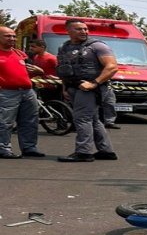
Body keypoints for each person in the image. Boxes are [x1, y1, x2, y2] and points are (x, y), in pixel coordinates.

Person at [55, 19, 118, 162]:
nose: (84, 31)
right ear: (68, 31)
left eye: (85, 29)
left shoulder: (97, 46)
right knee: (93, 119)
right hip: (73, 88)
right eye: (79, 29)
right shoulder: (64, 47)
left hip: (90, 89)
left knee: (82, 119)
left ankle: (84, 152)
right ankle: (106, 151)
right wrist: (65, 88)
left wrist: (94, 83)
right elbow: (64, 69)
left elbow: (112, 67)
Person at [0, 26, 46, 159]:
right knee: (5, 122)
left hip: (27, 91)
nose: (12, 39)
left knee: (30, 121)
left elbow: (26, 71)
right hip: (6, 93)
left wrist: (39, 72)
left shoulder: (20, 53)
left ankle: (29, 147)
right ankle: (3, 148)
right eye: (8, 36)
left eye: (13, 36)